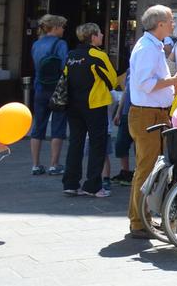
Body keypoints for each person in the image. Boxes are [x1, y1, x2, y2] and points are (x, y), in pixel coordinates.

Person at [126, 5, 177, 239]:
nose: (174, 23)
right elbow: (145, 83)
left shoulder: (152, 46)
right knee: (146, 168)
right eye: (171, 19)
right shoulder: (147, 48)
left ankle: (142, 219)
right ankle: (138, 222)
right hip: (148, 113)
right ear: (160, 23)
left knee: (151, 167)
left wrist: (173, 82)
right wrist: (174, 80)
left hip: (153, 112)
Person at [61, 23, 118, 198]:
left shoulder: (71, 55)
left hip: (73, 106)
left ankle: (70, 184)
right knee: (97, 145)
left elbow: (65, 77)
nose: (102, 35)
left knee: (75, 144)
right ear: (92, 37)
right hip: (94, 105)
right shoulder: (98, 55)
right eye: (100, 33)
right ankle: (93, 186)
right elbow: (113, 80)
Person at [29, 13, 69, 175]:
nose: (64, 30)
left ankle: (36, 164)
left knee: (38, 126)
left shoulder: (36, 44)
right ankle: (54, 164)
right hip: (57, 89)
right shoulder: (60, 44)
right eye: (63, 27)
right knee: (58, 126)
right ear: (56, 27)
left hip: (39, 88)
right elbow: (64, 66)